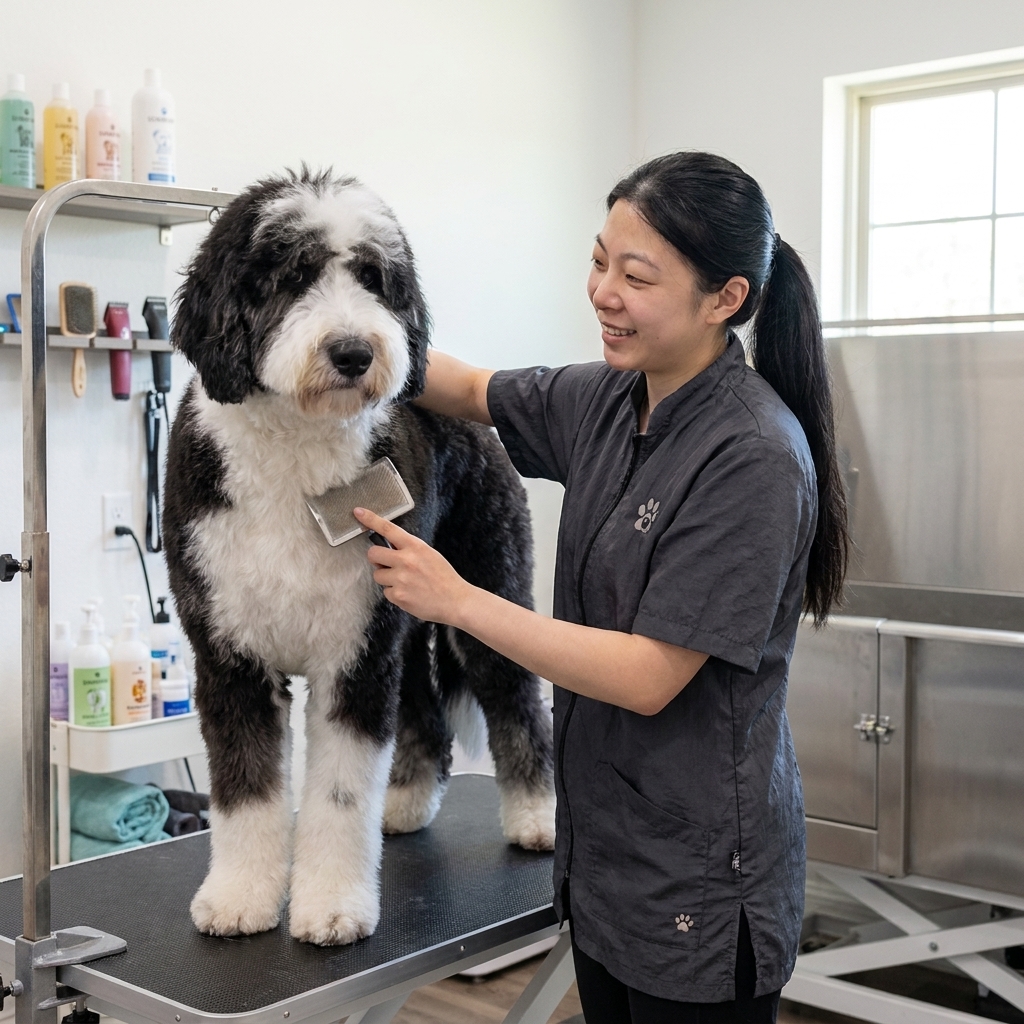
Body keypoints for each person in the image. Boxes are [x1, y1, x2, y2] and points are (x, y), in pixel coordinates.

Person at [354, 151, 848, 1023]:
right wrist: (348, 336)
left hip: (699, 877)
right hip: (609, 856)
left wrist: (458, 600)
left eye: (637, 275)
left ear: (725, 298)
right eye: (598, 260)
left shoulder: (754, 456)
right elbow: (466, 386)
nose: (603, 291)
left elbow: (648, 675)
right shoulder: (611, 399)